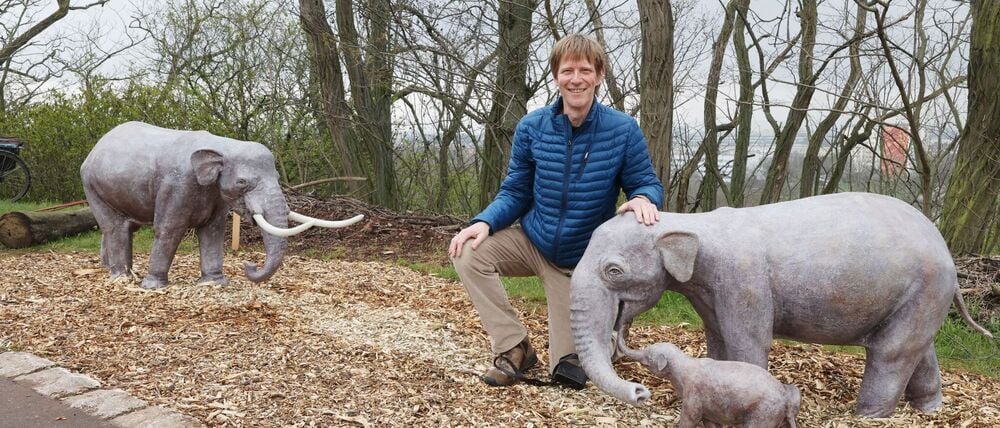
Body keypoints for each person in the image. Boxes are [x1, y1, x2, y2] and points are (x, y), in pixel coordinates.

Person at [448, 33, 664, 389]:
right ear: (556, 76)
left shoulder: (623, 130)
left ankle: (603, 338)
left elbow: (647, 184)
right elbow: (515, 190)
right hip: (534, 240)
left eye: (583, 70)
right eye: (567, 70)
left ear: (598, 75)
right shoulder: (532, 127)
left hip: (580, 261)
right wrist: (485, 221)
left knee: (568, 371)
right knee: (468, 251)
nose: (575, 78)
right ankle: (514, 347)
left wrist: (644, 198)